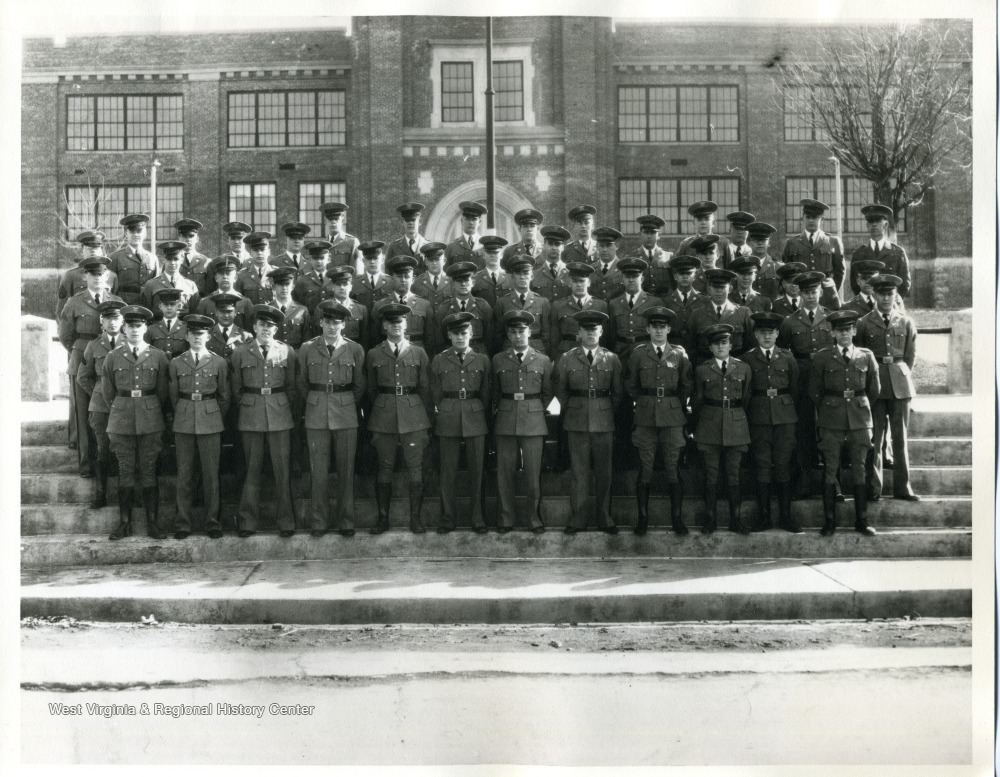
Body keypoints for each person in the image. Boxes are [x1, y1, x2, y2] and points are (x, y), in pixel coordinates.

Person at [297, 300, 367, 537]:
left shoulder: (355, 349)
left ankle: (346, 521)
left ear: (343, 325)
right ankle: (319, 521)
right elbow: (302, 383)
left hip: (345, 414)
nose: (331, 327)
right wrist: (318, 400)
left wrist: (343, 401)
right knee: (318, 471)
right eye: (327, 322)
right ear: (320, 323)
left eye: (336, 323)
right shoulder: (307, 348)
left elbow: (359, 385)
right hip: (316, 414)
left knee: (346, 469)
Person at [101, 305, 170, 540]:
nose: (134, 330)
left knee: (149, 469)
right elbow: (108, 392)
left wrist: (150, 408)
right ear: (124, 328)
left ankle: (153, 523)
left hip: (151, 419)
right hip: (121, 420)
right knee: (125, 470)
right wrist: (123, 407)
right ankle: (124, 523)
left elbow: (162, 392)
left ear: (145, 328)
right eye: (130, 326)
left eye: (138, 326)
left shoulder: (158, 356)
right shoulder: (113, 357)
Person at [809, 310, 880, 536]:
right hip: (831, 419)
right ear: (832, 333)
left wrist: (859, 406)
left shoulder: (866, 356)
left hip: (859, 419)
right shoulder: (822, 357)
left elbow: (874, 389)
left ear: (854, 331)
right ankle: (830, 522)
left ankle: (862, 521)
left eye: (848, 330)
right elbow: (815, 391)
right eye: (839, 331)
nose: (844, 334)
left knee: (860, 468)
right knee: (831, 468)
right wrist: (830, 407)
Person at [229, 305, 298, 537]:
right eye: (262, 325)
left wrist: (281, 405)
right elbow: (236, 388)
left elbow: (291, 386)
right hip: (251, 414)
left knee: (282, 470)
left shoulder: (287, 351)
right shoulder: (240, 352)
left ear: (276, 329)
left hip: (279, 413)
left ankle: (286, 521)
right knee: (252, 469)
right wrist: (251, 403)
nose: (266, 329)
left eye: (270, 326)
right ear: (254, 327)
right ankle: (247, 521)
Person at [365, 304, 434, 534]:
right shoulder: (374, 354)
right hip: (383, 414)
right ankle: (382, 519)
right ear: (384, 325)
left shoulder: (419, 352)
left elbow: (425, 388)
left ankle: (415, 519)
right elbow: (371, 389)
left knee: (415, 466)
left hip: (413, 414)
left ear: (406, 324)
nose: (396, 325)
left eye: (400, 321)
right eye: (391, 322)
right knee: (384, 467)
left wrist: (424, 417)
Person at [625, 307, 692, 535]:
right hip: (645, 417)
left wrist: (673, 404)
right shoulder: (638, 353)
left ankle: (677, 519)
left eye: (662, 327)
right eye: (654, 327)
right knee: (646, 468)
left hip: (672, 418)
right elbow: (631, 384)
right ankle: (643, 519)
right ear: (647, 329)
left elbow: (686, 385)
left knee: (673, 467)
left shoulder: (679, 354)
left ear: (669, 329)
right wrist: (645, 401)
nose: (658, 331)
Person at [556, 310, 623, 535]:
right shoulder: (567, 358)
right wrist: (574, 409)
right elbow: (561, 391)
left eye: (594, 330)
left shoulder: (612, 358)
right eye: (586, 330)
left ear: (601, 332)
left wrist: (605, 410)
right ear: (579, 332)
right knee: (579, 472)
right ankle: (578, 518)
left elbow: (617, 392)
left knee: (604, 472)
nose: (590, 334)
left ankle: (605, 517)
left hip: (604, 420)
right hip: (576, 419)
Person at [855, 274, 919, 502]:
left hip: (900, 385)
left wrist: (900, 374)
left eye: (890, 294)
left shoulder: (906, 322)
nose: (885, 298)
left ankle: (903, 488)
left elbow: (910, 356)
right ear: (874, 294)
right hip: (875, 385)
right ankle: (874, 487)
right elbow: (860, 356)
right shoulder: (863, 323)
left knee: (900, 438)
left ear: (895, 295)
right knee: (876, 438)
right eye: (881, 293)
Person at [59, 257, 123, 478]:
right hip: (82, 363)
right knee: (83, 415)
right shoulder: (74, 302)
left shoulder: (116, 301)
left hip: (110, 362)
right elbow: (65, 336)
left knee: (111, 413)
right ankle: (87, 465)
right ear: (85, 276)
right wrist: (82, 351)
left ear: (107, 277)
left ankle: (111, 464)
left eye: (101, 274)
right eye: (93, 275)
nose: (97, 278)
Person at [168, 313, 231, 539]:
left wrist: (211, 413)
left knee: (211, 475)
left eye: (201, 334)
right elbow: (173, 396)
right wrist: (184, 411)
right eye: (193, 334)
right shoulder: (176, 362)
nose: (197, 338)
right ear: (186, 336)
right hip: (184, 419)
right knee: (184, 474)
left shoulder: (219, 362)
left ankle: (212, 521)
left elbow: (224, 396)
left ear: (208, 337)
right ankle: (182, 523)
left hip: (210, 419)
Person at [430, 311, 493, 533]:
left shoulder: (482, 359)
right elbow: (435, 392)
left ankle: (478, 518)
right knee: (448, 472)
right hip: (448, 415)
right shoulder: (439, 360)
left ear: (471, 334)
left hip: (475, 416)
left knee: (478, 471)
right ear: (449, 335)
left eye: (464, 333)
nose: (460, 337)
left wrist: (476, 408)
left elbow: (486, 393)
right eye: (455, 333)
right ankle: (448, 518)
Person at [492, 310, 554, 533]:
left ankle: (534, 519)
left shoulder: (543, 360)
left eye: (522, 331)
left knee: (533, 475)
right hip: (506, 419)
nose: (518, 336)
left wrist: (535, 409)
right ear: (508, 335)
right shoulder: (498, 360)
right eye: (513, 332)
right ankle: (505, 519)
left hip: (533, 420)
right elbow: (495, 392)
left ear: (530, 332)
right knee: (504, 474)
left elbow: (548, 393)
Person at [777, 270, 835, 496]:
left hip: (827, 379)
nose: (811, 296)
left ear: (821, 292)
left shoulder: (830, 318)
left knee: (829, 429)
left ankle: (833, 483)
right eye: (807, 293)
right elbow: (783, 351)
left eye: (814, 292)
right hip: (801, 379)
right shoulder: (790, 321)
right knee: (803, 430)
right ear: (800, 294)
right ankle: (804, 480)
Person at [691, 323, 752, 534]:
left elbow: (746, 397)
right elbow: (697, 400)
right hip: (709, 425)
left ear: (731, 345)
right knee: (711, 475)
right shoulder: (701, 370)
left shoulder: (743, 368)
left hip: (736, 425)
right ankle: (711, 520)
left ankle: (736, 520)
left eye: (724, 342)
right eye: (716, 344)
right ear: (710, 347)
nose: (720, 347)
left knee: (734, 474)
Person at [743, 312, 801, 533]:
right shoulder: (748, 359)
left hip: (785, 417)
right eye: (762, 332)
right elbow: (746, 391)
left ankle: (785, 517)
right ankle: (764, 517)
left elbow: (794, 388)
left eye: (771, 332)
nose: (767, 336)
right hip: (759, 418)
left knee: (783, 464)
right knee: (763, 464)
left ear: (777, 334)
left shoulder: (787, 357)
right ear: (756, 334)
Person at [76, 299, 126, 509]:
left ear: (122, 321)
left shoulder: (130, 343)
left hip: (125, 403)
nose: (112, 323)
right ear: (101, 322)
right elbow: (83, 376)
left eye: (116, 318)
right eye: (107, 319)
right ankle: (100, 493)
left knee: (125, 449)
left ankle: (127, 495)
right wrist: (98, 391)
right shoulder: (93, 345)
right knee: (103, 448)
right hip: (100, 406)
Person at [780, 198, 845, 304]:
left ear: (822, 219)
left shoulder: (833, 241)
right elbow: (786, 273)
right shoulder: (791, 243)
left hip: (826, 297)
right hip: (801, 296)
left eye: (814, 217)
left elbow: (839, 272)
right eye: (808, 217)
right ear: (803, 218)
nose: (811, 220)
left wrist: (831, 292)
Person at [686, 269, 754, 366]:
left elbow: (752, 346)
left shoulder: (744, 313)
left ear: (730, 289)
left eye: (722, 287)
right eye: (715, 287)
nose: (718, 291)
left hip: (736, 368)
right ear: (709, 289)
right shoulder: (697, 315)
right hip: (705, 368)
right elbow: (691, 348)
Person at [549, 261, 609, 361]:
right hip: (565, 354)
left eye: (582, 281)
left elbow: (605, 337)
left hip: (593, 354)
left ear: (589, 283)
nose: (579, 285)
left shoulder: (601, 305)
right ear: (569, 283)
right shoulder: (558, 306)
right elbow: (554, 337)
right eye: (575, 281)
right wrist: (555, 359)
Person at [849, 204, 911, 299]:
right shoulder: (858, 254)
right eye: (871, 221)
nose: (874, 224)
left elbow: (905, 283)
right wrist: (867, 303)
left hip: (889, 304)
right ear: (867, 226)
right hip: (867, 305)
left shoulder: (898, 253)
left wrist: (890, 302)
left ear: (885, 225)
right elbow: (854, 283)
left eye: (878, 220)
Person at [432, 261, 494, 355]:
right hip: (452, 355)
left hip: (478, 354)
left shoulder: (483, 306)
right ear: (453, 284)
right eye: (459, 281)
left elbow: (490, 337)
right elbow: (439, 339)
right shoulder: (444, 308)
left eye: (466, 280)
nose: (463, 284)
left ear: (473, 282)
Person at [372, 255, 433, 351]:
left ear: (413, 279)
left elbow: (430, 340)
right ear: (392, 278)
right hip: (389, 354)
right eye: (399, 276)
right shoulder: (380, 306)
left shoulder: (424, 305)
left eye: (407, 277)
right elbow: (374, 339)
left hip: (416, 355)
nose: (403, 280)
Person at [494, 256, 551, 353]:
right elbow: (498, 334)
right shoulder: (502, 302)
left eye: (525, 273)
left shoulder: (542, 302)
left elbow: (546, 335)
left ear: (531, 276)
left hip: (536, 351)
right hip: (510, 350)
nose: (522, 277)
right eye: (518, 273)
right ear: (512, 277)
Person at [56, 230, 119, 317]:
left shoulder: (111, 276)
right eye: (88, 248)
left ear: (101, 250)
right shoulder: (71, 276)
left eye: (96, 248)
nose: (92, 251)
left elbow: (116, 306)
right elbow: (62, 311)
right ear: (82, 250)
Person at [108, 214, 159, 305]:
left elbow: (156, 288)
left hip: (147, 307)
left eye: (139, 231)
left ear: (145, 233)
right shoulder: (115, 257)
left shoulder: (153, 259)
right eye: (131, 231)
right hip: (124, 307)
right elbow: (109, 289)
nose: (135, 234)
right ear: (126, 233)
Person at [660, 255, 705, 353]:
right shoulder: (665, 301)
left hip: (697, 349)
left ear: (694, 277)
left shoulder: (703, 301)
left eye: (688, 273)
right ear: (675, 276)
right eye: (681, 273)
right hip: (673, 348)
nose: (685, 276)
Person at [141, 240, 200, 315]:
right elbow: (146, 313)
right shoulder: (151, 285)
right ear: (163, 259)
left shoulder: (190, 286)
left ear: (182, 259)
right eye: (169, 259)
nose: (172, 263)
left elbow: (194, 313)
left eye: (176, 259)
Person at [198, 257, 256, 331]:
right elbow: (200, 330)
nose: (225, 277)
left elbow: (250, 329)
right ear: (216, 278)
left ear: (235, 278)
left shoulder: (245, 302)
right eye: (221, 274)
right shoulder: (205, 302)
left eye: (228, 274)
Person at [316, 265, 369, 346]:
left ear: (351, 287)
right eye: (338, 284)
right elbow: (317, 337)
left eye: (345, 284)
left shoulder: (361, 309)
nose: (342, 288)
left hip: (352, 352)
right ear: (332, 287)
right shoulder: (322, 308)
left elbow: (365, 339)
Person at [266, 268, 310, 348]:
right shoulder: (267, 310)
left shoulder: (302, 310)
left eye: (287, 284)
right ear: (273, 287)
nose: (284, 288)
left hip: (296, 353)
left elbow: (306, 340)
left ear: (292, 286)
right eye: (280, 284)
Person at [630, 214, 672, 297]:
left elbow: (674, 285)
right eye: (646, 232)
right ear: (640, 234)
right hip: (641, 302)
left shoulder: (668, 256)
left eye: (653, 232)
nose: (649, 236)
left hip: (663, 302)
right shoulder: (632, 258)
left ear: (659, 235)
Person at [529, 226, 572, 303]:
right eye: (550, 243)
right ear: (544, 245)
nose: (554, 247)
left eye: (557, 244)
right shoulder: (533, 275)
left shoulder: (571, 274)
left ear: (563, 247)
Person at [384, 203, 430, 272]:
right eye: (407, 220)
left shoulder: (428, 246)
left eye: (413, 220)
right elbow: (388, 272)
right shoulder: (393, 247)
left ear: (420, 221)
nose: (410, 223)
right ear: (402, 222)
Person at [145, 288, 190, 358]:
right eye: (165, 304)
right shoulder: (152, 329)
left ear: (179, 306)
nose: (169, 308)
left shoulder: (186, 329)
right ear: (160, 306)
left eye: (172, 304)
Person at [234, 232, 276, 305]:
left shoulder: (276, 273)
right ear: (250, 252)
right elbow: (238, 303)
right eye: (256, 250)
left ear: (269, 251)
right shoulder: (241, 276)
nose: (259, 253)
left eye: (262, 249)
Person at [174, 218, 213, 296]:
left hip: (199, 302)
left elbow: (210, 289)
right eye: (184, 236)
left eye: (191, 236)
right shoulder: (172, 260)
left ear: (197, 238)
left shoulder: (206, 262)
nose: (188, 239)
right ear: (179, 237)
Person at [292, 240, 334, 313]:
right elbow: (298, 305)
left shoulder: (335, 279)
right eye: (315, 258)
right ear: (310, 260)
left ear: (329, 259)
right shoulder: (302, 281)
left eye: (322, 258)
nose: (318, 261)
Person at [745, 222, 783, 300]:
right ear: (749, 243)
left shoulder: (778, 267)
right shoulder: (743, 266)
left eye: (763, 240)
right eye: (756, 240)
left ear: (769, 243)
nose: (760, 243)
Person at [319, 201, 361, 272]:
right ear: (325, 221)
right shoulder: (322, 245)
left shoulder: (352, 242)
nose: (333, 222)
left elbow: (357, 270)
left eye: (336, 219)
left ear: (342, 220)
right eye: (330, 219)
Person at [470, 236, 512, 307]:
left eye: (496, 252)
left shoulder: (511, 278)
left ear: (501, 255)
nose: (492, 255)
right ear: (484, 254)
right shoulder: (475, 279)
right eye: (489, 252)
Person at [444, 201, 487, 268]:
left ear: (479, 222)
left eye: (474, 219)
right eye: (467, 219)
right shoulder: (451, 247)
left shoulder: (486, 247)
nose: (471, 222)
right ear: (462, 221)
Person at [588, 226, 625, 301]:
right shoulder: (590, 270)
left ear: (616, 246)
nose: (604, 249)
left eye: (608, 245)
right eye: (601, 245)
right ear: (597, 246)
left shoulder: (624, 269)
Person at [352, 241, 391, 311]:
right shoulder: (355, 282)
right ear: (363, 261)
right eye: (369, 259)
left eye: (376, 258)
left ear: (382, 260)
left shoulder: (391, 282)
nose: (372, 262)